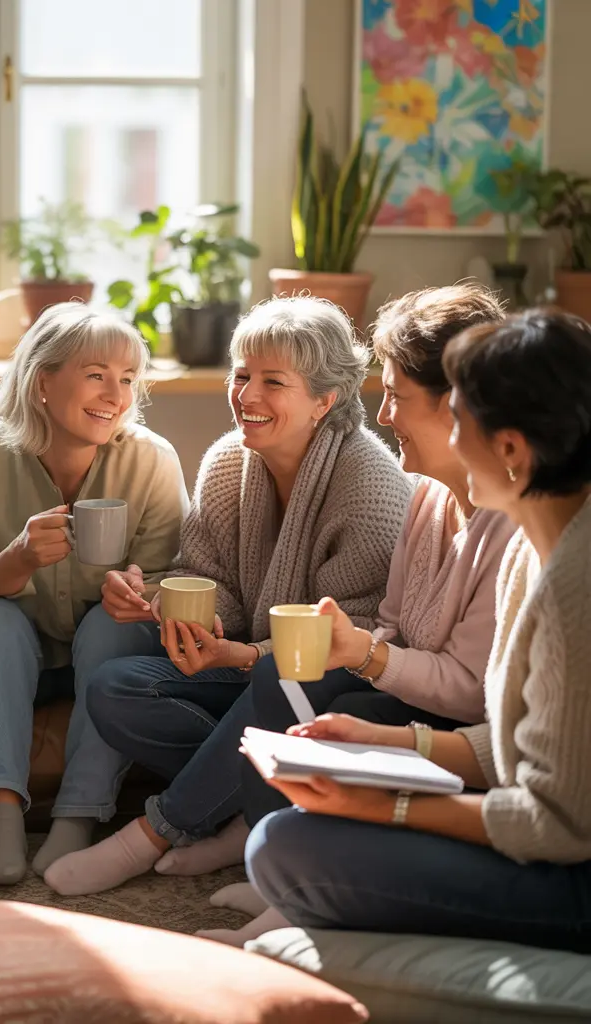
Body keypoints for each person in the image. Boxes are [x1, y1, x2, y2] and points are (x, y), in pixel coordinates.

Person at [147, 284, 519, 903]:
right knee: (163, 684)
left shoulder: (476, 517)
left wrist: (359, 654)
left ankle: (177, 831)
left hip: (449, 715)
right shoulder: (427, 495)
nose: (385, 414)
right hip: (400, 688)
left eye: (397, 395)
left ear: (457, 406)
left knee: (292, 692)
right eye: (242, 376)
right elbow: (393, 622)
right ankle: (257, 832)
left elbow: (467, 690)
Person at [243, 309, 591, 954]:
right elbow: (522, 749)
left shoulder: (576, 584)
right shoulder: (534, 547)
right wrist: (384, 741)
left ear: (511, 449)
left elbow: (558, 823)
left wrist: (382, 806)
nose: (451, 443)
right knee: (293, 832)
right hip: (541, 825)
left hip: (575, 875)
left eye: (458, 420)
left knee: (287, 847)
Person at [45, 295, 413, 897]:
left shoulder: (368, 487)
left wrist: (242, 658)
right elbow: (216, 587)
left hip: (331, 687)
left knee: (281, 681)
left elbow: (355, 638)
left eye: (274, 381)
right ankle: (247, 809)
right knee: (114, 688)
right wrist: (168, 603)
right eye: (242, 375)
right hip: (248, 675)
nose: (247, 395)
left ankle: (156, 831)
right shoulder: (225, 462)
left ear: (327, 399)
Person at [0, 302, 189, 884]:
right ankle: (1, 817)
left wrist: (139, 594)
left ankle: (78, 816)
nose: (116, 394)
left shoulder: (152, 461)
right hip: (4, 648)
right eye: (97, 374)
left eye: (127, 379)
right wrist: (18, 559)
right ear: (43, 380)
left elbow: (172, 580)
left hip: (103, 650)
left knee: (113, 621)